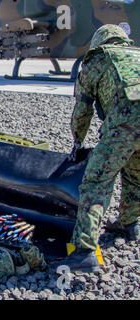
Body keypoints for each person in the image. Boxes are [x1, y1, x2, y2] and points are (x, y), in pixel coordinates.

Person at [61, 25, 139, 273]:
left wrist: (77, 140)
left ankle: (83, 252)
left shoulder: (97, 61)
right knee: (136, 176)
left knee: (96, 183)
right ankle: (130, 224)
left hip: (123, 129)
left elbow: (82, 110)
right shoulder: (138, 54)